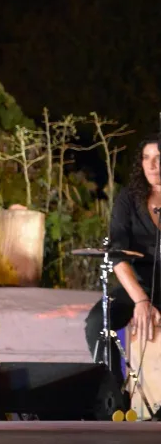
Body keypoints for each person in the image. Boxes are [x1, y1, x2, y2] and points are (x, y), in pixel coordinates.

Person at [84, 134, 161, 385]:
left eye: (159, 158)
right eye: (146, 158)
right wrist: (140, 299)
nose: (152, 165)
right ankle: (114, 395)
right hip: (138, 284)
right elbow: (117, 254)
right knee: (98, 322)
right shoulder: (128, 199)